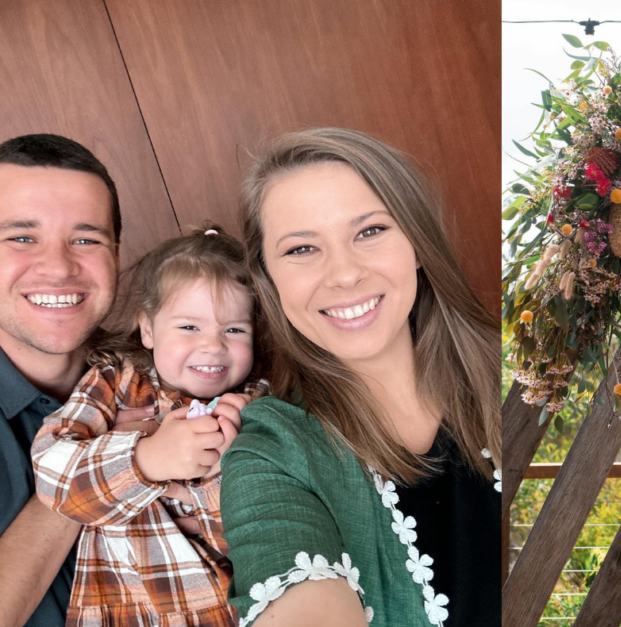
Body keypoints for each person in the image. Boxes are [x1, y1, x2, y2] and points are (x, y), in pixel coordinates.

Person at [220, 128, 501, 627]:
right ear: (269, 280)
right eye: (301, 249)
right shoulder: (273, 452)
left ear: (417, 243)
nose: (344, 274)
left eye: (369, 231)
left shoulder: (522, 375)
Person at [31, 225, 268, 626]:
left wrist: (224, 475)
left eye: (234, 329)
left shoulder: (258, 405)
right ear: (148, 329)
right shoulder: (115, 382)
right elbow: (53, 475)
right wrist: (147, 459)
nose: (213, 345)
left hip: (235, 607)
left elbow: (272, 534)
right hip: (129, 610)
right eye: (189, 327)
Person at [0, 134, 120, 627]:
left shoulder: (170, 377)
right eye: (21, 237)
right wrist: (105, 459)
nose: (58, 267)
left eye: (86, 239)